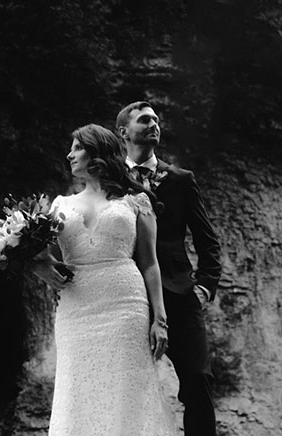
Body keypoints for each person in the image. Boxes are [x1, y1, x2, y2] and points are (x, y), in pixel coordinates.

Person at [33, 124, 177, 436]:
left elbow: (150, 264)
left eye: (77, 148)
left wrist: (160, 319)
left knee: (126, 391)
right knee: (77, 389)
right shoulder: (58, 206)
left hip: (126, 307)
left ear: (96, 152)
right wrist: (39, 266)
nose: (69, 155)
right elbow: (37, 256)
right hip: (76, 310)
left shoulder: (137, 202)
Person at [116, 101, 222, 436]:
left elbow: (208, 240)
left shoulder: (180, 179)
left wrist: (204, 286)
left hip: (179, 293)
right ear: (123, 131)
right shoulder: (110, 180)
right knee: (124, 388)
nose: (154, 125)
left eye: (157, 121)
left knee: (199, 380)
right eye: (144, 120)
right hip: (126, 295)